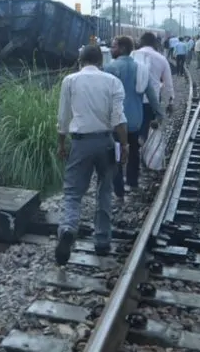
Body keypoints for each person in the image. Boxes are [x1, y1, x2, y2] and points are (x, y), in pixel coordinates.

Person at [55, 44, 128, 264]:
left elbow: (63, 117)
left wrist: (61, 144)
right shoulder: (112, 82)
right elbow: (118, 118)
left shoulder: (70, 81)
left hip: (80, 143)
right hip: (106, 142)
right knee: (104, 191)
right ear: (100, 62)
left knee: (73, 192)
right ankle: (102, 242)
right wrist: (124, 145)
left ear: (80, 60)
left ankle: (68, 227)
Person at [105, 36, 163, 200]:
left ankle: (119, 190)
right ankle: (132, 181)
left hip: (116, 122)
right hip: (135, 120)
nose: (111, 49)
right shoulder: (141, 69)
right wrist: (159, 114)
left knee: (116, 153)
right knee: (134, 151)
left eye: (114, 46)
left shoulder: (110, 68)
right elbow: (152, 96)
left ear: (122, 49)